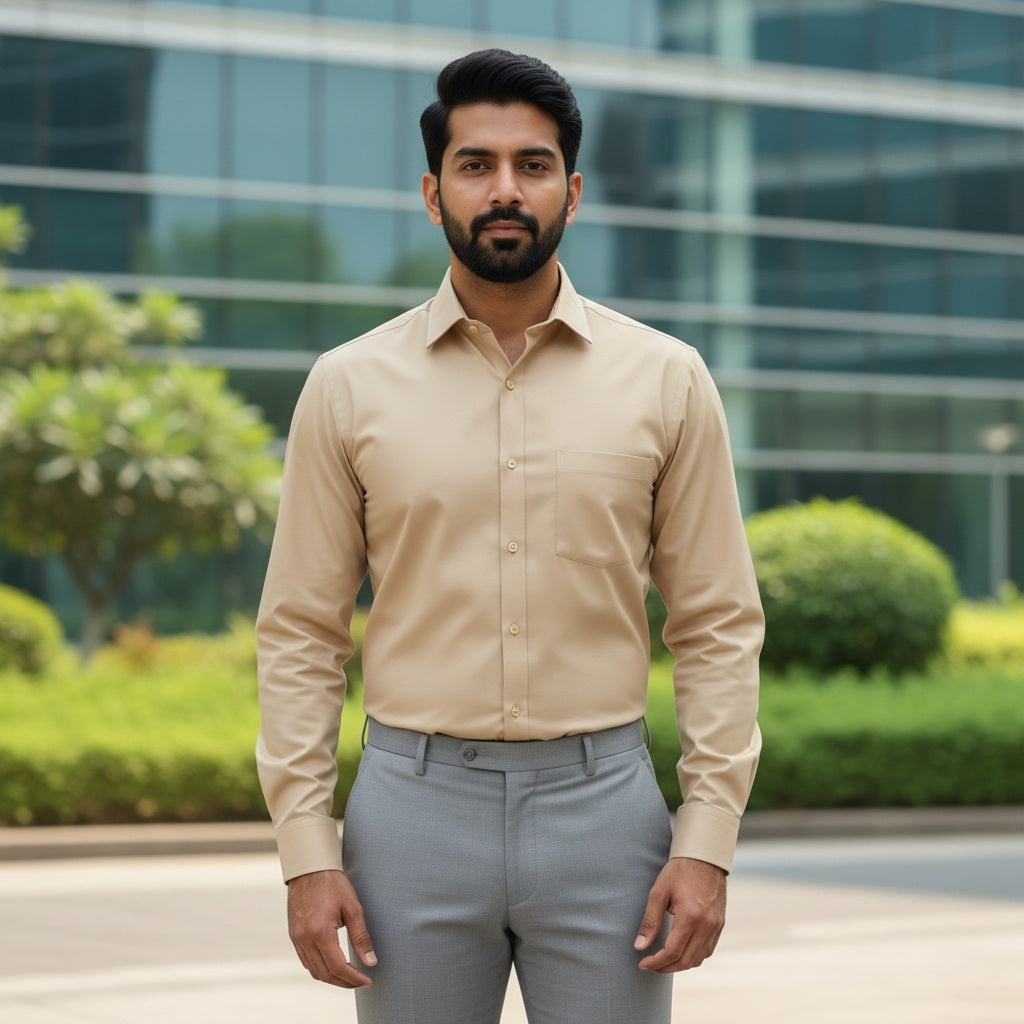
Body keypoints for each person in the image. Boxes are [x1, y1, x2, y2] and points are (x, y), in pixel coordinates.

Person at [256, 48, 763, 1024]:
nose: (503, 189)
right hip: (409, 810)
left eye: (531, 166)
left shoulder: (667, 379)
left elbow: (715, 623)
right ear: (431, 189)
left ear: (572, 192)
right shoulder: (348, 384)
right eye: (475, 163)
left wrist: (705, 838)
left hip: (606, 813)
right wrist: (307, 855)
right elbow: (301, 634)